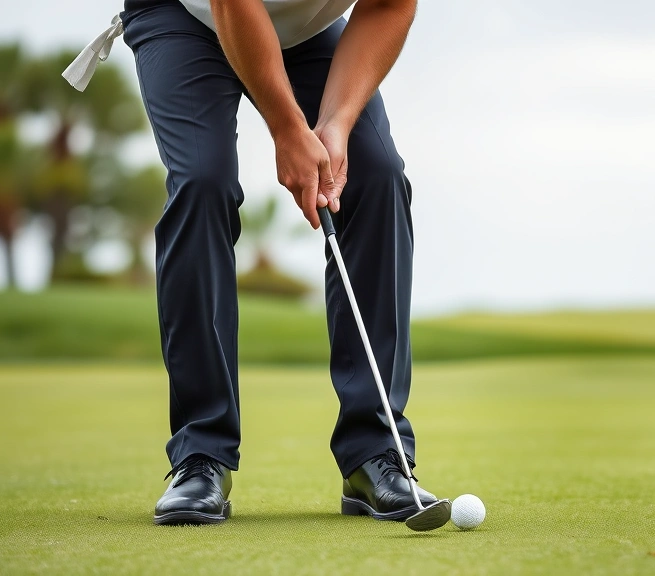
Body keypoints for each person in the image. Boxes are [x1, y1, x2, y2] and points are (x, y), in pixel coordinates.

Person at [68, 0, 431, 525]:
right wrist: (288, 128)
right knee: (202, 181)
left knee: (377, 176)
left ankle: (376, 453)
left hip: (303, 33)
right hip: (184, 13)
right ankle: (201, 455)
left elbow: (390, 6)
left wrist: (336, 121)